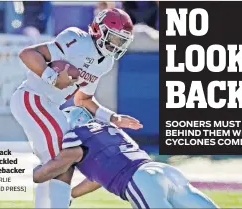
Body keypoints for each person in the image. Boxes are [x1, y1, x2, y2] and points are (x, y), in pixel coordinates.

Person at [10, 8, 143, 208]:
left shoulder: (105, 62)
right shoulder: (77, 40)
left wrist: (113, 118)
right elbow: (27, 54)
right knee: (63, 158)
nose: (116, 46)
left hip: (50, 105)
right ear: (99, 30)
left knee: (59, 163)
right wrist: (52, 78)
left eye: (121, 41)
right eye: (114, 39)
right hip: (32, 97)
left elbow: (83, 99)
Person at [33, 106, 220, 209]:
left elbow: (53, 168)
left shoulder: (77, 138)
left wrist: (36, 172)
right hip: (164, 172)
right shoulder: (107, 129)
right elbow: (98, 177)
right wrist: (71, 195)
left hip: (140, 180)